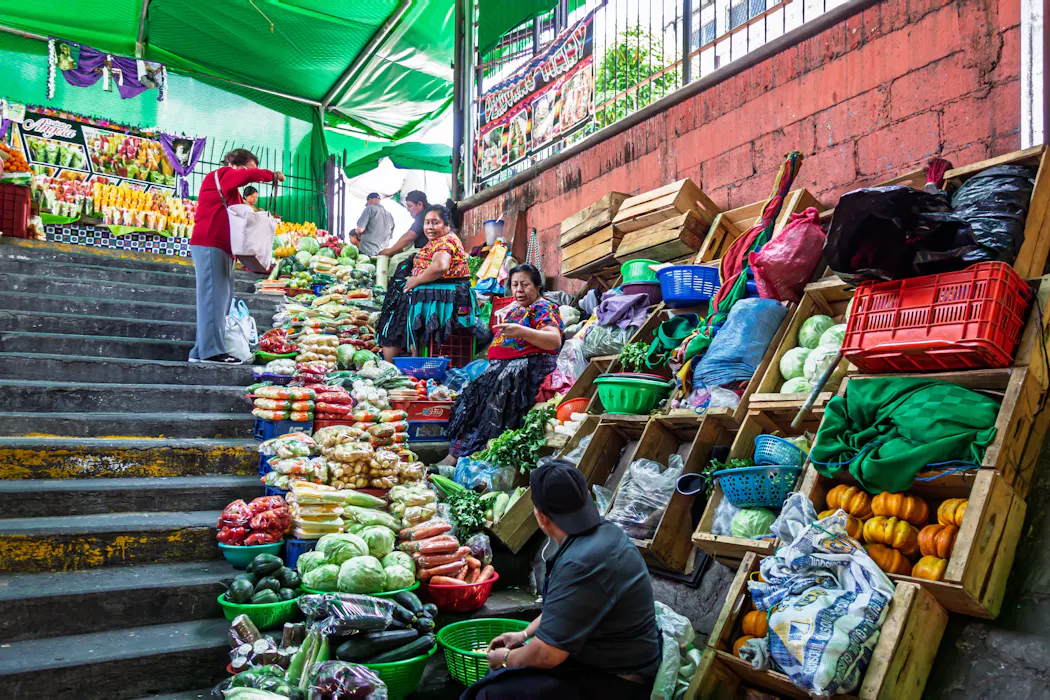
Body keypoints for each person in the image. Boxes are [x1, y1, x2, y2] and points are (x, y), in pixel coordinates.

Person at [462, 459, 662, 699]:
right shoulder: (604, 533)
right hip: (610, 662)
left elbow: (548, 655)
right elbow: (568, 609)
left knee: (490, 693)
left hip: (620, 682)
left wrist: (506, 658)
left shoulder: (580, 562)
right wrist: (524, 635)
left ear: (541, 517)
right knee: (500, 675)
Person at [442, 264, 562, 465]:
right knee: (470, 402)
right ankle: (455, 456)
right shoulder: (516, 309)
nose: (519, 290)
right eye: (515, 285)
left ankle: (467, 460)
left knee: (492, 407)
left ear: (538, 287)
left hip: (525, 369)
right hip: (501, 367)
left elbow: (554, 340)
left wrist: (521, 331)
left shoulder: (544, 308)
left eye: (525, 285)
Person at [189, 148, 284, 364]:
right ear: (234, 165)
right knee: (213, 299)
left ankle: (200, 350)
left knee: (220, 300)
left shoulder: (230, 189)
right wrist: (271, 175)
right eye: (248, 168)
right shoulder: (222, 175)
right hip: (210, 243)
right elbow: (245, 176)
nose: (250, 173)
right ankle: (211, 352)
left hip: (222, 247)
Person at [377, 204, 476, 361]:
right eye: (427, 222)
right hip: (435, 290)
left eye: (435, 223)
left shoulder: (445, 242)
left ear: (447, 225)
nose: (430, 227)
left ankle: (392, 362)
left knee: (395, 313)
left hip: (442, 295)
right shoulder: (439, 240)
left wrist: (416, 280)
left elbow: (440, 266)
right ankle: (411, 357)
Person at [378, 190, 428, 258]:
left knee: (396, 260)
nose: (408, 210)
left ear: (419, 204)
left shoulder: (424, 215)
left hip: (428, 252)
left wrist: (390, 250)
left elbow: (409, 236)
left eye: (410, 206)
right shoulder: (427, 212)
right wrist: (395, 250)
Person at [352, 192, 395, 257]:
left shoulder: (369, 209)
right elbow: (390, 236)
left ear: (370, 200)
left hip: (367, 251)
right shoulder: (389, 215)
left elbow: (360, 229)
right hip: (382, 254)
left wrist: (356, 232)